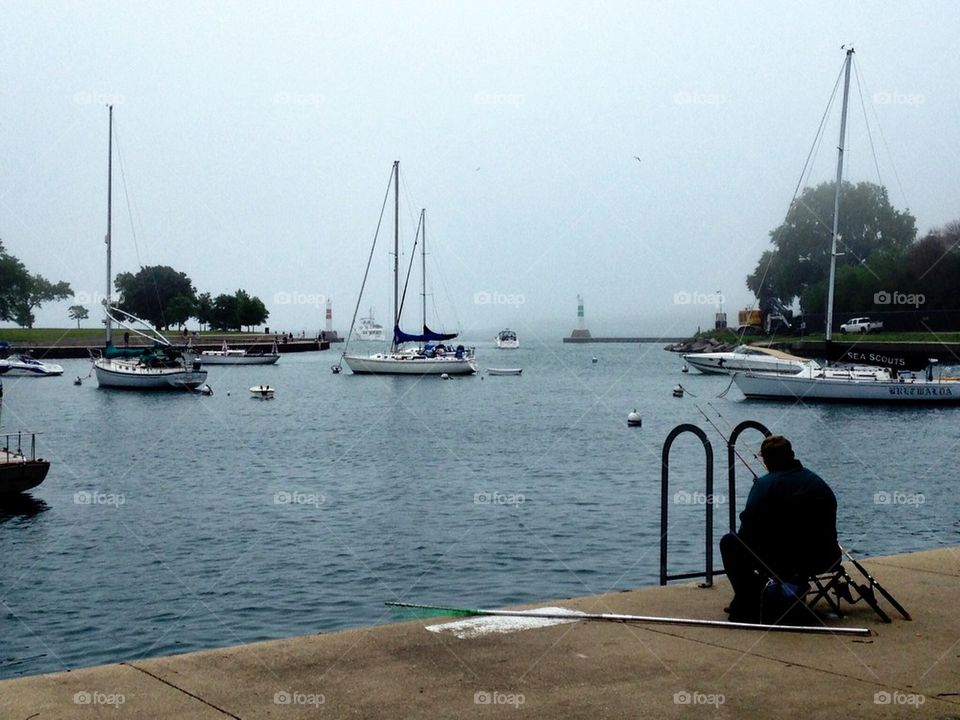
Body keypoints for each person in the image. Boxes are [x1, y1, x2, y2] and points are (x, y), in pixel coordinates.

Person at [720, 435, 839, 622]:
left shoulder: (764, 485)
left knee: (730, 542)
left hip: (783, 561)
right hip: (824, 558)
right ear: (792, 455)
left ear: (767, 461)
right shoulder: (817, 482)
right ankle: (777, 594)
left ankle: (748, 600)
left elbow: (747, 529)